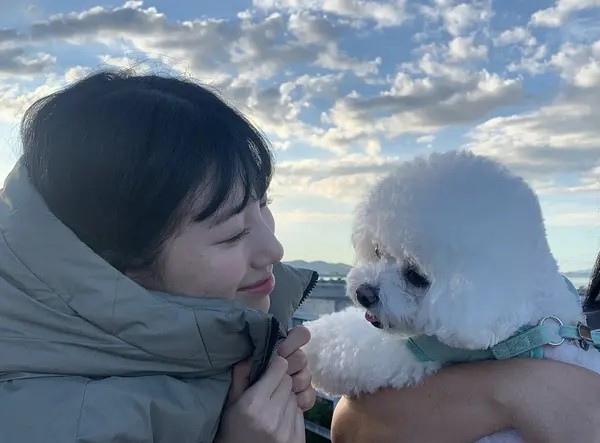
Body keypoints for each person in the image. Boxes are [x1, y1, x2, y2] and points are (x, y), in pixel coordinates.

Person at [0, 70, 318, 443]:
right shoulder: (54, 425)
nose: (274, 250)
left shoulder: (217, 331)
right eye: (233, 234)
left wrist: (265, 379)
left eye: (263, 204)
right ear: (120, 260)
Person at [331, 255, 600, 442]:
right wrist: (520, 389)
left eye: (416, 275)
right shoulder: (574, 321)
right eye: (380, 253)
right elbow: (352, 425)